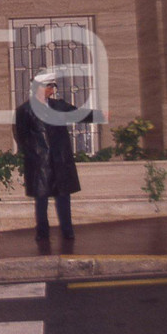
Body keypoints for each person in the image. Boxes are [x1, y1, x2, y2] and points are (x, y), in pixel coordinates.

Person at [13, 69, 107, 242]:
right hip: (40, 163)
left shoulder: (59, 106)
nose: (52, 90)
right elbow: (21, 136)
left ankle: (67, 230)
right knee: (41, 199)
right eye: (50, 86)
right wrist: (34, 154)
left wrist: (99, 115)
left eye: (52, 87)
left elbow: (77, 114)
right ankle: (42, 231)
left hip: (60, 160)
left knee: (63, 197)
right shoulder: (24, 110)